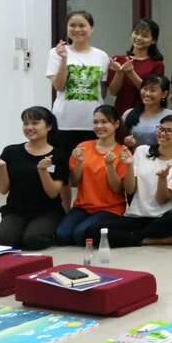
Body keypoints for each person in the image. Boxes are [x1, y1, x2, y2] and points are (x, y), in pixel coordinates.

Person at [86, 115, 172, 247]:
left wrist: (162, 178)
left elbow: (162, 199)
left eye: (169, 130)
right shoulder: (142, 151)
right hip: (136, 216)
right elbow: (129, 189)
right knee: (93, 231)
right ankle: (148, 240)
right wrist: (129, 166)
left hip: (162, 217)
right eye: (160, 128)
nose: (163, 133)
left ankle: (131, 237)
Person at [46, 10, 111, 211]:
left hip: (92, 124)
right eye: (72, 25)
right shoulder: (56, 52)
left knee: (90, 169)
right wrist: (64, 59)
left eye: (82, 25)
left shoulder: (101, 56)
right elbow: (58, 86)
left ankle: (88, 206)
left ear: (91, 28)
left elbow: (102, 90)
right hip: (64, 121)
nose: (77, 29)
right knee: (63, 170)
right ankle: (65, 210)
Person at [0, 107, 68, 250]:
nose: (29, 127)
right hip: (16, 211)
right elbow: (2, 189)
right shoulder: (11, 151)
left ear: (49, 126)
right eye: (26, 124)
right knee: (2, 240)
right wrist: (1, 166)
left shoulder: (58, 156)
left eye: (35, 123)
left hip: (47, 211)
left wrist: (43, 170)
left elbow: (52, 193)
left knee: (34, 240)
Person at [56, 105, 128, 245]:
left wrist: (109, 167)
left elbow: (117, 189)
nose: (99, 126)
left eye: (104, 122)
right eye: (95, 122)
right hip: (83, 206)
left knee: (80, 235)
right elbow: (75, 182)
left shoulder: (122, 152)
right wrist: (78, 163)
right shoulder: (84, 146)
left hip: (110, 208)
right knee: (61, 236)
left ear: (116, 124)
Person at [108, 19, 165, 116]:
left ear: (153, 41)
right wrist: (120, 72)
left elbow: (149, 91)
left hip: (145, 113)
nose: (138, 38)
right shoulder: (118, 60)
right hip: (120, 111)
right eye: (136, 33)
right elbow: (113, 92)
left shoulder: (157, 64)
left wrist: (131, 72)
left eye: (145, 36)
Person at [122, 74, 172, 148]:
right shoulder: (129, 113)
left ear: (164, 94)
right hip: (134, 157)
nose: (147, 94)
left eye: (152, 90)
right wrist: (125, 142)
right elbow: (119, 139)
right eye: (145, 89)